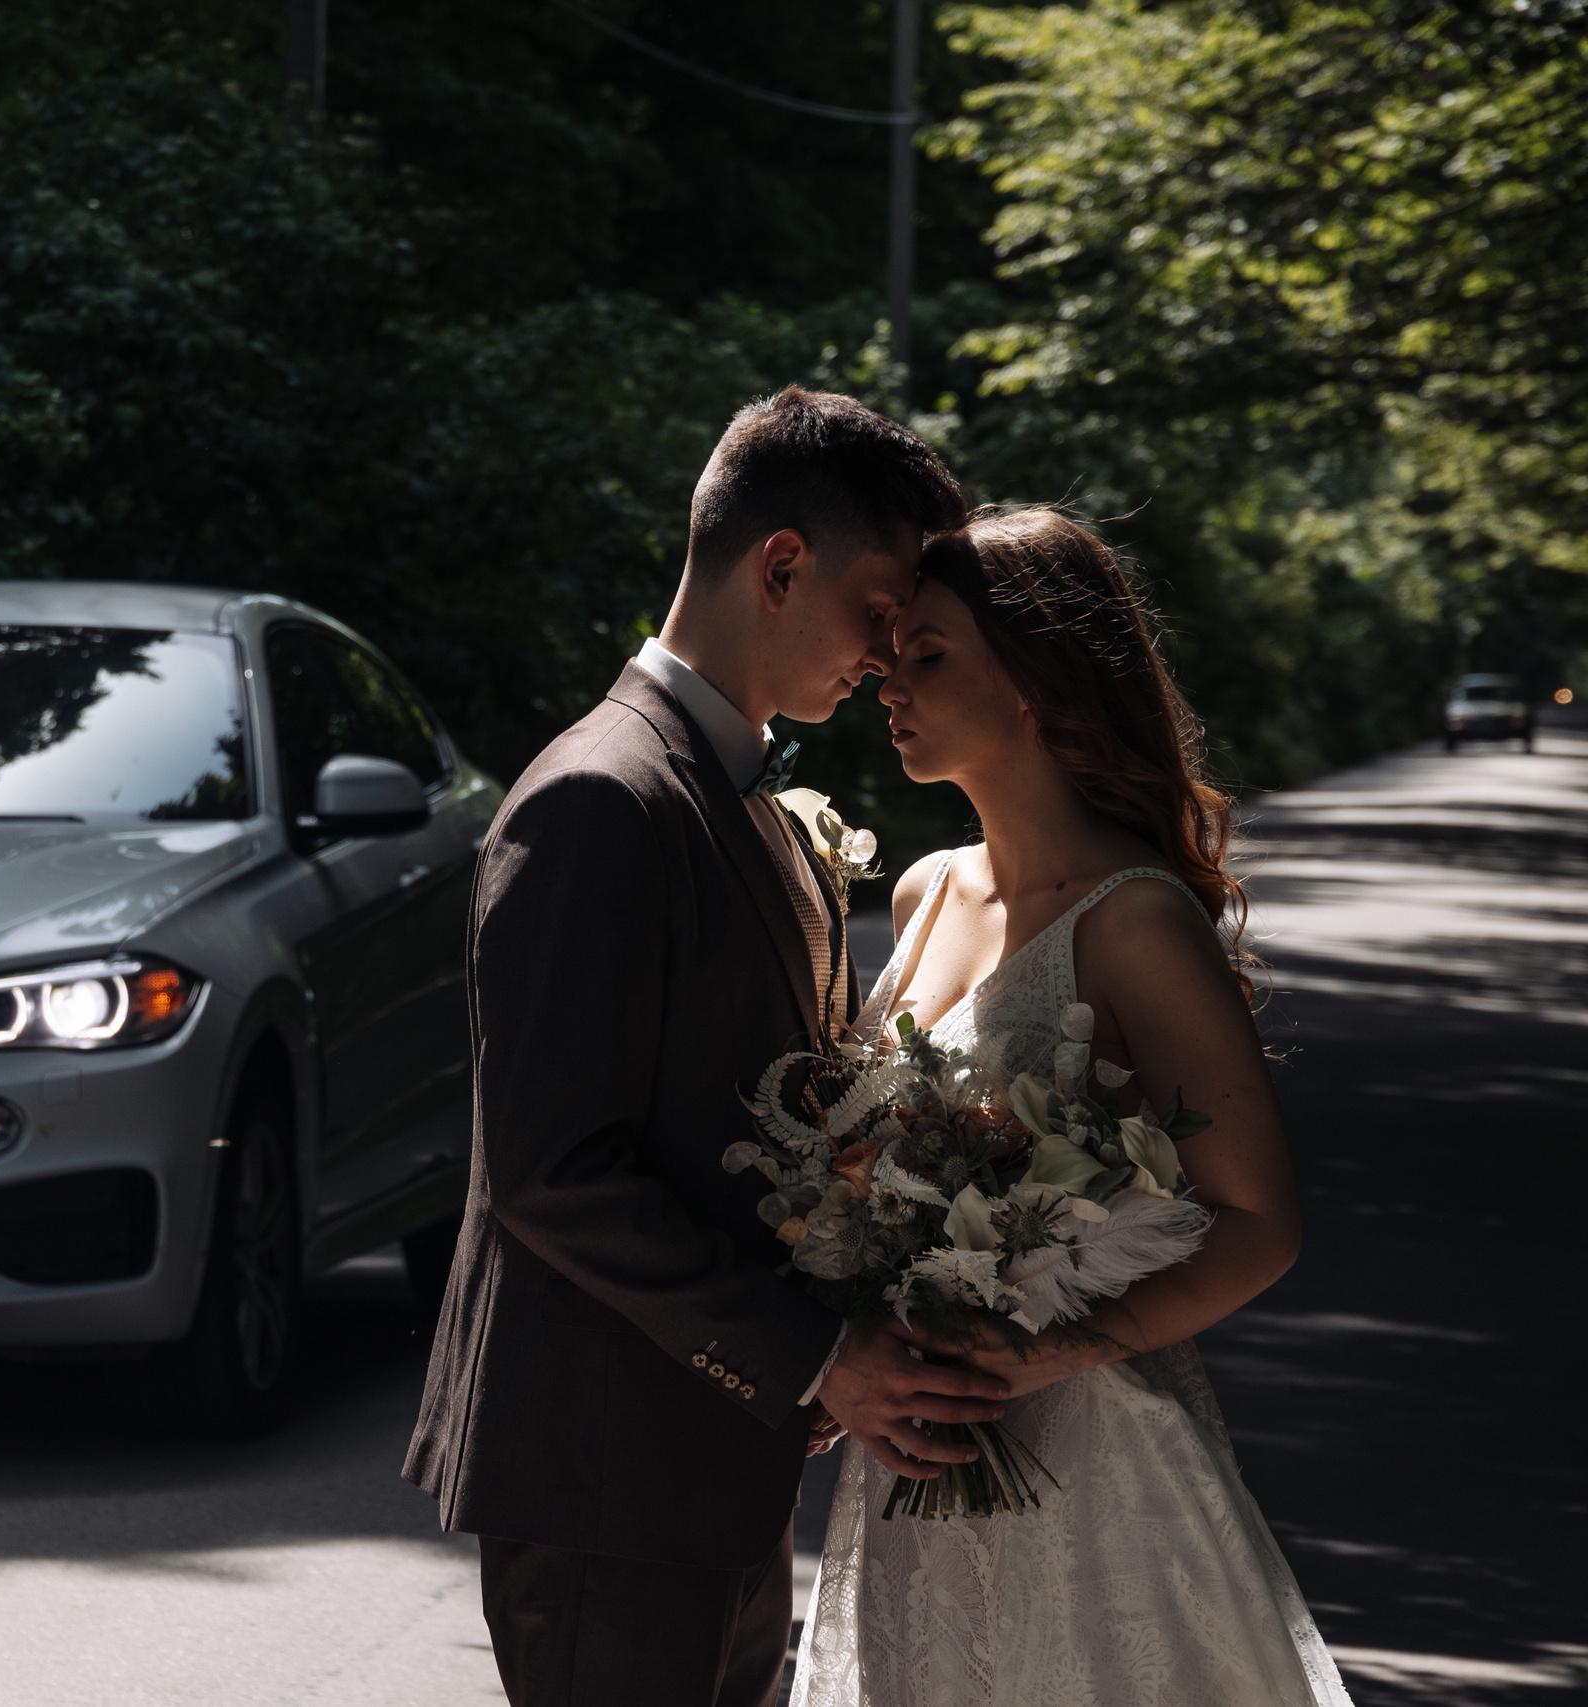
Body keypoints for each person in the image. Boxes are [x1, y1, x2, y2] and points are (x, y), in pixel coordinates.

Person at [403, 386, 996, 1707]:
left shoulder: (745, 801)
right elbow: (553, 1168)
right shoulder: (597, 799)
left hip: (713, 1456)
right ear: (780, 566)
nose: (888, 655)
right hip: (604, 1472)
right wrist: (812, 1352)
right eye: (879, 608)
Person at [792, 507, 1353, 1705]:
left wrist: (1039, 1354)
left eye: (926, 652)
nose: (888, 679)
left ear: (1038, 680)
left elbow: (1259, 1223)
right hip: (915, 1459)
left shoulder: (1135, 918)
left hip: (1087, 1461)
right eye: (888, 653)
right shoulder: (925, 892)